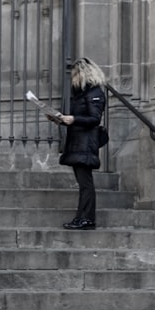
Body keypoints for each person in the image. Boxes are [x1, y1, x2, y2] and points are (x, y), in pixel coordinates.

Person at [59, 57, 107, 230]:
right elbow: (80, 119)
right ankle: (83, 218)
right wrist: (61, 119)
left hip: (85, 144)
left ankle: (86, 219)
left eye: (74, 75)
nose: (72, 79)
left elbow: (94, 119)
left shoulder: (95, 94)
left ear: (82, 74)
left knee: (86, 183)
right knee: (84, 183)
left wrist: (73, 118)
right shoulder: (83, 94)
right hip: (78, 142)